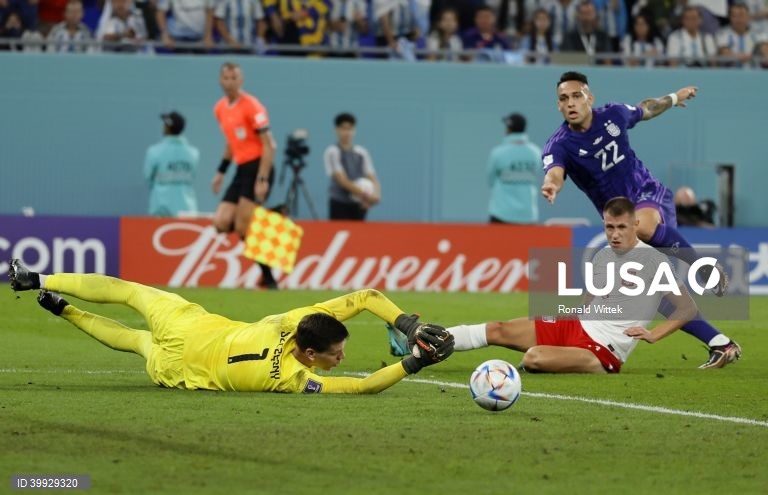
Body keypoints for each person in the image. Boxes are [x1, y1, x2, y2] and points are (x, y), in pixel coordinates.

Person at [8, 259, 455, 393]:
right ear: (311, 354)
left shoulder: (292, 320)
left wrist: (408, 323)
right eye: (337, 354)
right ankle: (61, 309)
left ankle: (40, 280)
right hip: (181, 365)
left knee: (129, 291)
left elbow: (364, 298)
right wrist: (414, 358)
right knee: (134, 342)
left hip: (190, 324)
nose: (343, 358)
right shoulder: (292, 380)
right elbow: (362, 388)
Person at [540, 71, 741, 368]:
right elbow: (554, 171)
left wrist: (674, 98)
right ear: (558, 106)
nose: (570, 102)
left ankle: (703, 267)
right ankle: (721, 344)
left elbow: (646, 108)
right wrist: (552, 185)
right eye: (563, 98)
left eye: (576, 96)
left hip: (649, 196)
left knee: (643, 228)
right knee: (649, 292)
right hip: (620, 219)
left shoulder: (613, 115)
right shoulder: (560, 144)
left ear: (589, 98)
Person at [445, 197, 711, 373]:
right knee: (498, 329)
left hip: (604, 350)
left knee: (533, 357)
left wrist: (655, 334)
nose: (614, 234)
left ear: (635, 224)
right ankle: (426, 341)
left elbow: (686, 308)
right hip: (579, 327)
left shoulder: (654, 260)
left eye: (621, 227)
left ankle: (504, 382)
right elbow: (591, 299)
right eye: (609, 227)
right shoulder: (603, 255)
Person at [212, 61, 278, 289]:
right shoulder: (220, 108)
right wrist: (220, 172)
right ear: (221, 80)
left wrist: (263, 178)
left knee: (241, 226)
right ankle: (262, 220)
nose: (230, 83)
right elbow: (231, 143)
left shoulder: (253, 106)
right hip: (241, 168)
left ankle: (268, 278)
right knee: (220, 222)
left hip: (258, 166)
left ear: (241, 81)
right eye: (226, 78)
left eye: (234, 78)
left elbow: (269, 145)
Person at [323, 112, 381, 220]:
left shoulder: (362, 152)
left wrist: (376, 195)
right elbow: (342, 181)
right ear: (336, 130)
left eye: (350, 128)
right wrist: (366, 195)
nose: (347, 132)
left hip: (360, 203)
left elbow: (371, 176)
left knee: (358, 235)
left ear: (354, 130)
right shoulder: (332, 151)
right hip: (340, 203)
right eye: (343, 128)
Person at [487, 112, 541, 224]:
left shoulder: (498, 153)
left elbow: (490, 180)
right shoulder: (536, 152)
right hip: (528, 214)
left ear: (508, 129)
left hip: (501, 214)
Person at [144, 111, 200, 217]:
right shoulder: (193, 153)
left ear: (167, 128)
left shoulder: (154, 151)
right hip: (187, 209)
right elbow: (193, 175)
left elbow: (147, 176)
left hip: (160, 210)